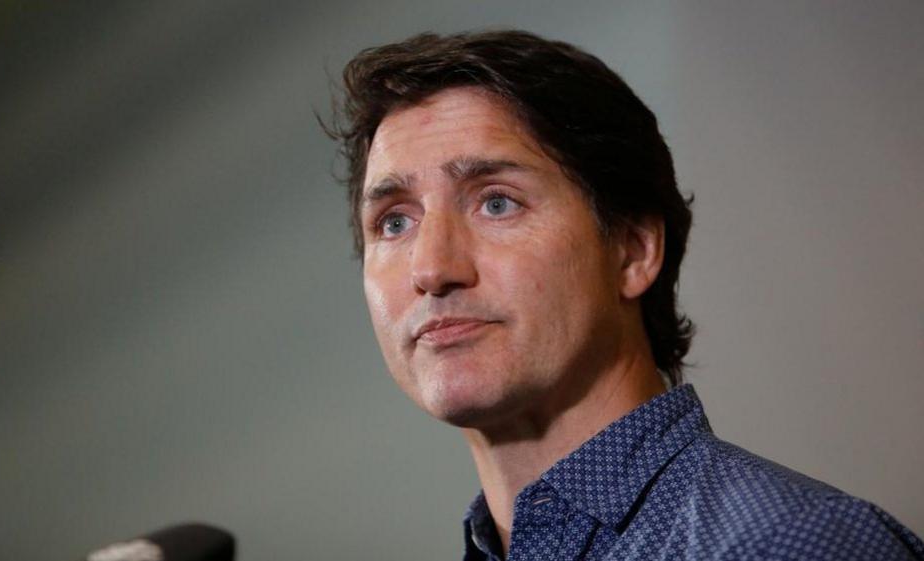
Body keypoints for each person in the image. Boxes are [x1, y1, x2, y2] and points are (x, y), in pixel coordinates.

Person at [323, 29, 924, 560]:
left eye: (496, 202)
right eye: (394, 222)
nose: (430, 268)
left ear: (634, 251)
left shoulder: (793, 545)